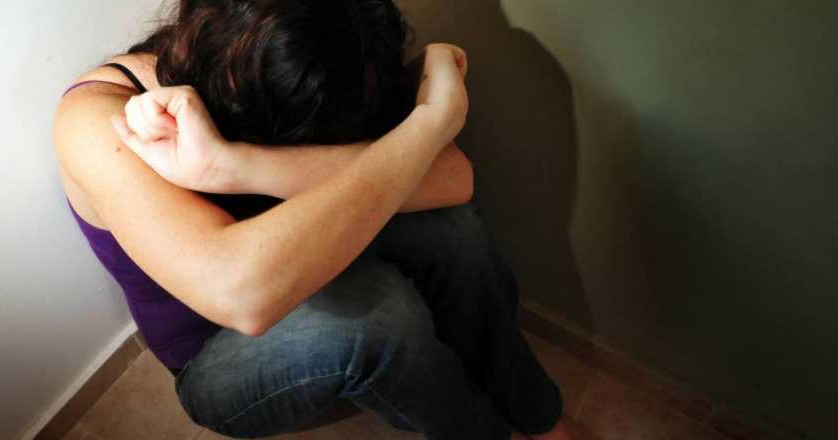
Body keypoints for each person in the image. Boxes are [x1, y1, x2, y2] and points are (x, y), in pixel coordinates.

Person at [53, 1, 569, 438]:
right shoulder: (95, 119)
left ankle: (535, 411)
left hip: (300, 253)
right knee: (380, 317)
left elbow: (454, 180)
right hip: (217, 348)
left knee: (454, 233)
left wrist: (233, 166)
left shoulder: (329, 41)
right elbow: (241, 296)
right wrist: (432, 120)